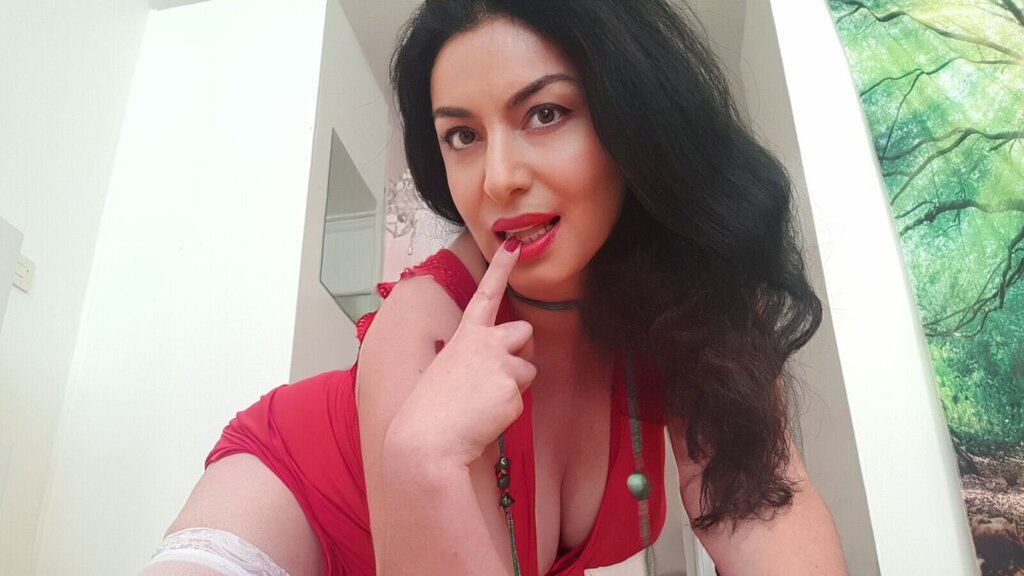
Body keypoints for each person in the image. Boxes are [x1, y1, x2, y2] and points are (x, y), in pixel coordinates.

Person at [141, 0, 848, 575]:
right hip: (297, 498)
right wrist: (422, 459)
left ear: (636, 119)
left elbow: (764, 513)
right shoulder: (423, 321)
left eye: (545, 113)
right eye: (462, 135)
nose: (498, 179)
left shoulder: (692, 309)